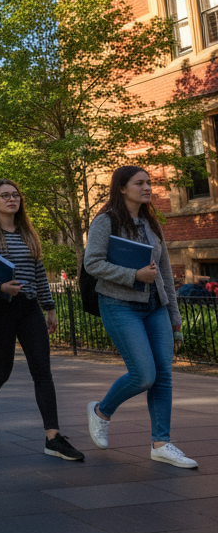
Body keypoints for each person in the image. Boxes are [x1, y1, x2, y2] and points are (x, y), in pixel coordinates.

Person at [84, 166, 196, 468]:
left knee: (164, 376)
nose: (147, 187)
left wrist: (174, 317)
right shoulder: (105, 221)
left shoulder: (151, 223)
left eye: (148, 182)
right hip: (119, 305)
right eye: (140, 183)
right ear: (122, 187)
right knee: (144, 375)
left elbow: (165, 272)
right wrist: (133, 274)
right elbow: (92, 263)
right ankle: (101, 411)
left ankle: (161, 443)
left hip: (156, 306)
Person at [0, 180, 84, 461]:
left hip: (29, 307)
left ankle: (53, 437)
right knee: (2, 369)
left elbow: (38, 272)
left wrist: (49, 307)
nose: (12, 199)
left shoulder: (27, 232)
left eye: (16, 195)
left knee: (42, 371)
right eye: (5, 195)